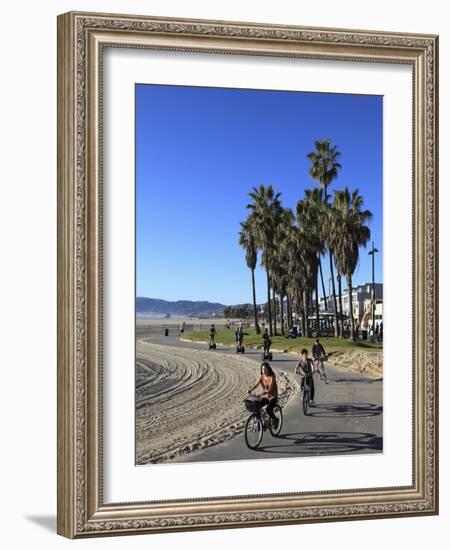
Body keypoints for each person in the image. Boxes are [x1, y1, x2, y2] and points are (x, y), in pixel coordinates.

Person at [247, 362, 279, 427]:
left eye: (265, 369)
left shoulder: (272, 377)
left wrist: (266, 391)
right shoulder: (262, 377)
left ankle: (275, 419)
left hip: (273, 396)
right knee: (258, 405)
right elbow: (257, 384)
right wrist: (251, 390)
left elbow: (271, 387)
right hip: (266, 396)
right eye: (262, 369)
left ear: (268, 369)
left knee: (268, 409)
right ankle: (264, 420)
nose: (263, 370)